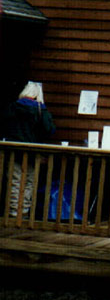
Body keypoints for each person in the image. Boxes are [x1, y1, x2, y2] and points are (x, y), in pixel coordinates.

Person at [1, 81, 56, 217]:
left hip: (14, 151)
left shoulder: (13, 107)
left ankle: (13, 212)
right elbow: (49, 130)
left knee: (15, 182)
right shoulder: (39, 109)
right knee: (29, 182)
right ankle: (24, 211)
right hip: (33, 152)